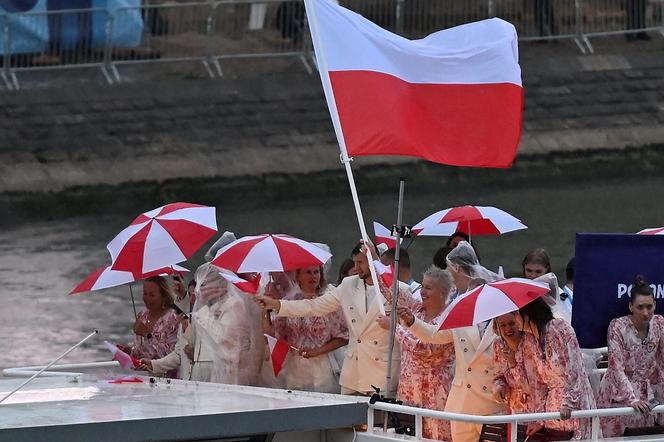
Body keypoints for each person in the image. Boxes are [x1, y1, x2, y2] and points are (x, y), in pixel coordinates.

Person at [256, 241, 410, 395]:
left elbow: (411, 328)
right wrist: (276, 304)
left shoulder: (398, 289)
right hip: (353, 373)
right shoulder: (348, 285)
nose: (356, 268)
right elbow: (314, 306)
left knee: (377, 419)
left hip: (382, 371)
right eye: (355, 262)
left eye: (361, 262)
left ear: (372, 260)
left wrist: (393, 325)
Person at [396, 242, 505, 442]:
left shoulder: (501, 308)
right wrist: (412, 322)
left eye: (451, 272)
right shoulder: (459, 307)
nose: (450, 277)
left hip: (493, 401)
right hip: (462, 402)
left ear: (459, 270)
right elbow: (436, 335)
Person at [145, 263, 261, 384]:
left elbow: (225, 339)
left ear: (218, 284)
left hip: (222, 372)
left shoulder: (233, 304)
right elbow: (192, 342)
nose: (199, 290)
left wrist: (204, 312)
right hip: (199, 373)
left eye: (204, 285)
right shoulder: (204, 306)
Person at [378, 265, 455, 440]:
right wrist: (373, 258)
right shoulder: (416, 309)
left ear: (443, 292)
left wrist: (394, 327)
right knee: (406, 436)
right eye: (422, 286)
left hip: (435, 395)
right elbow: (390, 290)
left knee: (435, 438)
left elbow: (425, 348)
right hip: (408, 390)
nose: (422, 292)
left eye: (428, 287)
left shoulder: (448, 319)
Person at [519, 297, 597, 439]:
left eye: (516, 314)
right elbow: (537, 385)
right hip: (552, 412)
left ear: (527, 314)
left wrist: (569, 402)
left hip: (575, 404)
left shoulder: (560, 327)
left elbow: (575, 368)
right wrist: (539, 418)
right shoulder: (529, 341)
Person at [596, 275, 664, 437]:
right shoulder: (617, 326)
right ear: (630, 307)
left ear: (655, 305)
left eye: (649, 306)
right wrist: (632, 399)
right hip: (616, 395)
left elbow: (662, 363)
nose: (645, 312)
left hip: (646, 397)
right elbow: (616, 367)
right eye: (640, 307)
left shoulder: (660, 323)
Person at [267, 265, 349, 393]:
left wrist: (318, 350)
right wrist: (266, 308)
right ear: (298, 276)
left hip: (322, 370)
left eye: (316, 272)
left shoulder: (329, 301)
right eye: (308, 272)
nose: (313, 276)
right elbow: (274, 334)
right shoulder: (289, 300)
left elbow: (344, 336)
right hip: (294, 370)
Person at [493, 312, 549, 437]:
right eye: (502, 325)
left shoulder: (531, 341)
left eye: (511, 323)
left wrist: (514, 364)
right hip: (515, 410)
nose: (508, 329)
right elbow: (498, 376)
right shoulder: (498, 345)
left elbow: (534, 386)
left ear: (518, 321)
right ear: (496, 327)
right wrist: (499, 387)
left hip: (537, 411)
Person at [119, 276, 178, 365]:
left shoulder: (173, 319)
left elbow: (168, 355)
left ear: (163, 296)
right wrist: (129, 352)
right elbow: (142, 350)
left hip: (168, 376)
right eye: (145, 294)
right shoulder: (142, 315)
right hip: (144, 374)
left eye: (151, 295)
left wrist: (147, 334)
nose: (146, 298)